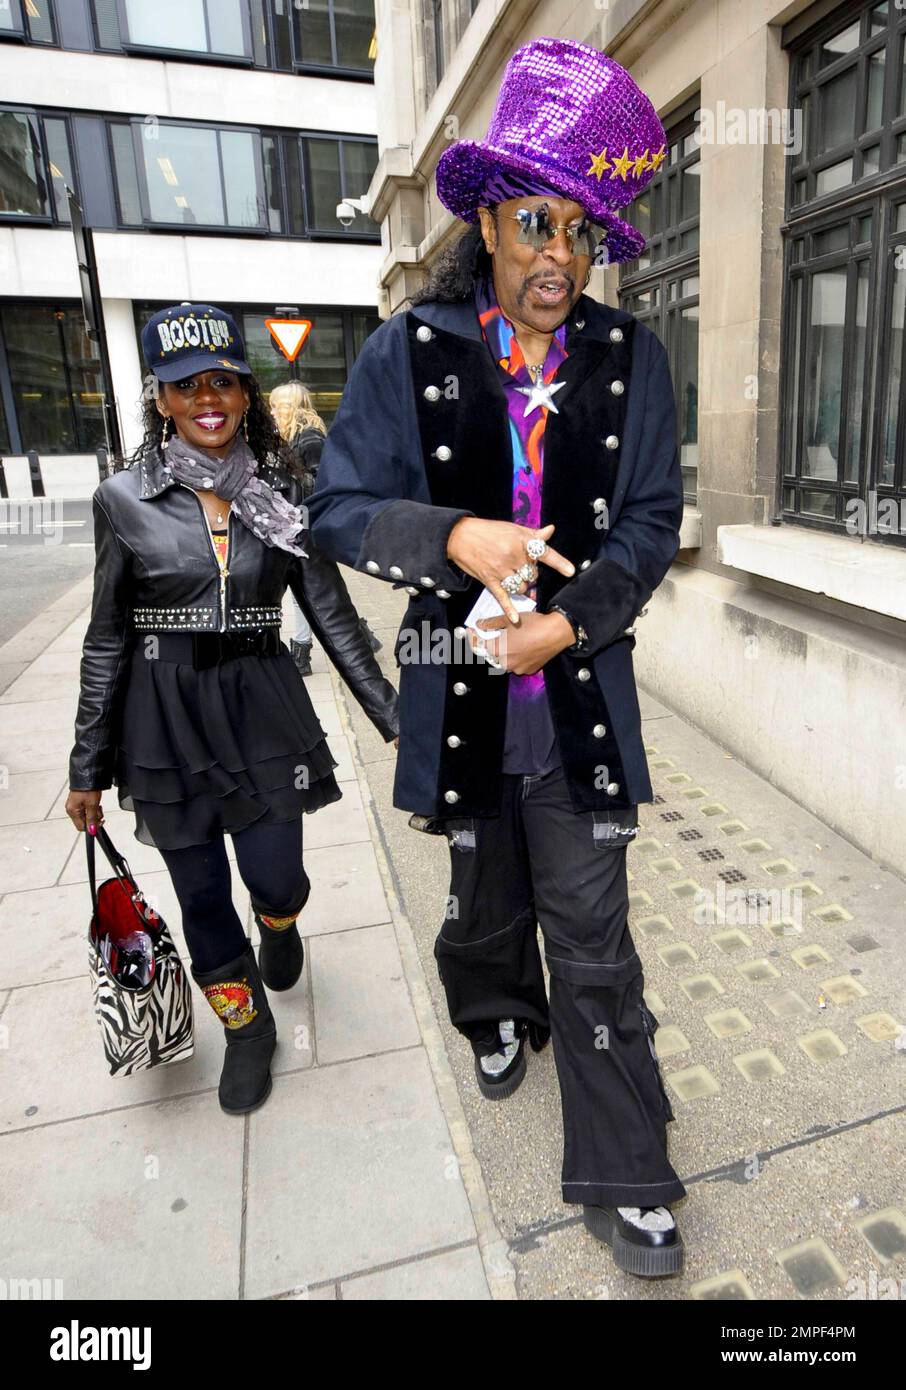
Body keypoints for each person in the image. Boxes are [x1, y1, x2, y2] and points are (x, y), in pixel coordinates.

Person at [307, 39, 687, 1278]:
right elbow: (337, 512)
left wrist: (570, 624)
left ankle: (626, 1171)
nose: (563, 258)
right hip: (454, 689)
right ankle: (491, 1011)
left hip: (575, 701)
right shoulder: (405, 357)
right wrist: (452, 535)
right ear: (486, 218)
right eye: (539, 225)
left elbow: (647, 524)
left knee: (594, 938)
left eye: (584, 232)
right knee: (484, 906)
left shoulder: (633, 364)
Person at [66, 303, 399, 1117]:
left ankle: (280, 925)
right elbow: (107, 636)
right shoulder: (124, 499)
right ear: (163, 401)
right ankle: (248, 1034)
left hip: (261, 706)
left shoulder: (286, 494)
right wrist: (86, 766)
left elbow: (334, 616)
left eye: (223, 381)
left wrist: (399, 719)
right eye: (187, 387)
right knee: (202, 897)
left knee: (274, 876)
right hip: (164, 720)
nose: (207, 399)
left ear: (247, 394)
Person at [269, 380, 382, 677]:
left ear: (290, 407)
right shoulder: (290, 438)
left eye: (275, 405)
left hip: (307, 527)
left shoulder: (309, 439)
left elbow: (323, 486)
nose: (271, 411)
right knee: (324, 590)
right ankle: (362, 635)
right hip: (297, 525)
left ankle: (301, 652)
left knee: (304, 591)